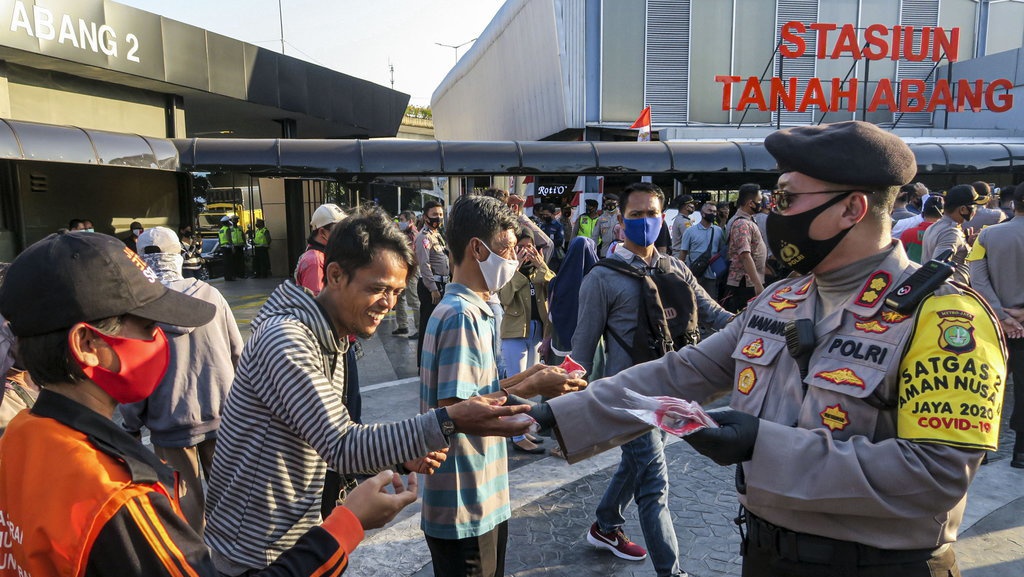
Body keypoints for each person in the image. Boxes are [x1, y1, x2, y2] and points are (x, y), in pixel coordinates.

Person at [528, 120, 1005, 577]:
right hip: (764, 554)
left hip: (877, 565)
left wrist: (763, 443)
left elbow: (936, 475)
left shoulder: (944, 319)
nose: (773, 213)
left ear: (851, 208)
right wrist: (551, 414)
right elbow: (680, 371)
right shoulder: (782, 299)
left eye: (787, 198)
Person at [0, 231, 420, 577]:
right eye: (148, 328)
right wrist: (347, 524)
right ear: (87, 345)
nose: (162, 342)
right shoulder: (119, 494)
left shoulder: (19, 439)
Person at [205, 207, 536, 575]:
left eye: (395, 291)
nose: (388, 304)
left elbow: (325, 441)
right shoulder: (287, 341)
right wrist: (448, 420)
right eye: (377, 289)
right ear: (334, 275)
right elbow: (342, 445)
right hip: (257, 552)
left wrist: (399, 458)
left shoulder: (328, 339)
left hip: (298, 537)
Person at [420, 194, 585, 577]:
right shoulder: (461, 315)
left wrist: (531, 377)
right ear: (477, 249)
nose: (513, 258)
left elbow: (475, 391)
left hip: (483, 495)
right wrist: (530, 390)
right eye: (507, 248)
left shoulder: (472, 308)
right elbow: (456, 413)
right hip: (465, 503)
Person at [573, 182, 731, 577]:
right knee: (654, 483)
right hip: (631, 396)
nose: (646, 222)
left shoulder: (675, 268)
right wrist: (565, 405)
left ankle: (605, 524)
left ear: (664, 219)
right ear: (620, 223)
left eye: (653, 214)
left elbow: (714, 315)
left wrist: (763, 323)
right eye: (637, 215)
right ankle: (671, 571)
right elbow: (582, 347)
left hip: (673, 393)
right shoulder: (602, 278)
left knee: (636, 465)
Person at [120, 226, 244, 535]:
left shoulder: (138, 310)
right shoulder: (211, 295)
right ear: (179, 255)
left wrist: (131, 425)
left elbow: (132, 375)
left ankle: (194, 563)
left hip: (169, 422)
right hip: (222, 416)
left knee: (184, 503)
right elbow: (238, 353)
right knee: (230, 496)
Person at [968, 184, 1024, 467]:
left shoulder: (987, 235)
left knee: (989, 384)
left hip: (992, 324)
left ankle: (983, 449)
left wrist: (1002, 315)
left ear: (1014, 204)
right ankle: (1021, 452)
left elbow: (975, 278)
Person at [498, 231, 555, 453]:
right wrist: (516, 268)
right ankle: (517, 435)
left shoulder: (538, 271)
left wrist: (541, 265)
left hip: (536, 332)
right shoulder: (508, 272)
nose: (526, 252)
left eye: (529, 247)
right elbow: (504, 297)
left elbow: (554, 284)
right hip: (514, 333)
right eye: (520, 248)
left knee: (530, 387)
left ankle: (525, 429)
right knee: (516, 387)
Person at [920, 184, 987, 285]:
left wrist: (967, 244)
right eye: (974, 206)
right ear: (963, 209)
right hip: (951, 295)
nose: (975, 210)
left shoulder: (935, 226)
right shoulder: (951, 233)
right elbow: (937, 269)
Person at [415, 200, 450, 364]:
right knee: (428, 326)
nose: (438, 218)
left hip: (442, 285)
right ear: (425, 216)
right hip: (431, 287)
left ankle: (435, 361)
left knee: (438, 327)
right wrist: (433, 289)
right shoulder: (424, 237)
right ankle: (423, 364)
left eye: (441, 214)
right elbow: (424, 265)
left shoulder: (437, 235)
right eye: (435, 214)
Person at [724, 184, 767, 311]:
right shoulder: (742, 223)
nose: (761, 204)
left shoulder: (749, 220)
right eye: (759, 201)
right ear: (750, 203)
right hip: (744, 283)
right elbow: (745, 255)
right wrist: (757, 284)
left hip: (749, 281)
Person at [679, 202, 726, 300]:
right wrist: (680, 272)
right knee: (692, 300)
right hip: (694, 274)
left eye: (714, 211)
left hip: (711, 276)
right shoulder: (690, 231)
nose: (712, 213)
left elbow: (721, 251)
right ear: (702, 213)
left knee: (711, 301)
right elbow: (683, 253)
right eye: (709, 210)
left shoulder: (718, 231)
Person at [393, 210, 421, 337]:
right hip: (402, 269)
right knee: (399, 298)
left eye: (402, 220)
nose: (400, 222)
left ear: (410, 221)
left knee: (413, 300)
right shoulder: (404, 233)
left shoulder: (413, 234)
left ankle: (420, 328)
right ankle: (402, 325)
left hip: (411, 269)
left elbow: (409, 252)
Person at [898, 195, 944, 263]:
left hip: (912, 272)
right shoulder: (947, 235)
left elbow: (899, 257)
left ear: (922, 214)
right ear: (943, 215)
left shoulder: (908, 233)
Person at [217, 215, 237, 281]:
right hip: (228, 247)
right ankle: (231, 277)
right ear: (227, 222)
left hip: (223, 248)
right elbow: (229, 238)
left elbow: (219, 240)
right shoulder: (227, 229)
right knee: (230, 263)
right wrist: (232, 247)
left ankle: (227, 277)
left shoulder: (221, 230)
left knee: (225, 263)